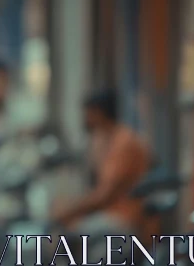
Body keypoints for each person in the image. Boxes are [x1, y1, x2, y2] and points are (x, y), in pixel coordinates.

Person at [52, 90, 151, 238]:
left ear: (99, 113)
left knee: (68, 233)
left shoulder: (124, 143)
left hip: (124, 217)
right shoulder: (104, 139)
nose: (85, 118)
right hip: (109, 212)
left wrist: (70, 211)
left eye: (88, 113)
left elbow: (105, 195)